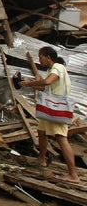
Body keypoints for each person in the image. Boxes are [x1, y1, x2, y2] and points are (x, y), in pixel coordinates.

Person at [19, 46, 80, 183]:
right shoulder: (52, 70)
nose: (39, 60)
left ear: (48, 57)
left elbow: (47, 82)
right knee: (41, 132)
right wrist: (26, 84)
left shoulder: (57, 67)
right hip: (50, 109)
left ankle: (73, 175)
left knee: (61, 138)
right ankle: (41, 159)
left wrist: (29, 84)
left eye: (40, 57)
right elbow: (44, 87)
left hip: (57, 109)